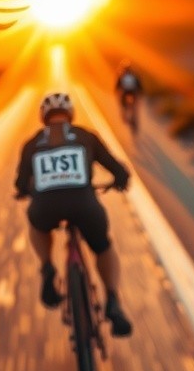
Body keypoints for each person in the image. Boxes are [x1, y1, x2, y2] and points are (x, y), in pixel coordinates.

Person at [13, 92, 134, 336]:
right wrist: (120, 180)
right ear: (70, 114)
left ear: (44, 117)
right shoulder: (85, 136)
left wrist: (26, 191)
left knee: (37, 223)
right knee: (103, 247)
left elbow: (20, 184)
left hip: (45, 207)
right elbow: (118, 169)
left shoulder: (31, 143)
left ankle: (47, 267)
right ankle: (113, 301)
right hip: (85, 205)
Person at [115, 60, 144, 126]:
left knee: (126, 104)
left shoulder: (123, 75)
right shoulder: (132, 75)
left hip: (129, 93)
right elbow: (139, 84)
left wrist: (116, 89)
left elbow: (118, 84)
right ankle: (129, 115)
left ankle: (129, 115)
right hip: (130, 93)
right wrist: (141, 91)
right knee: (127, 104)